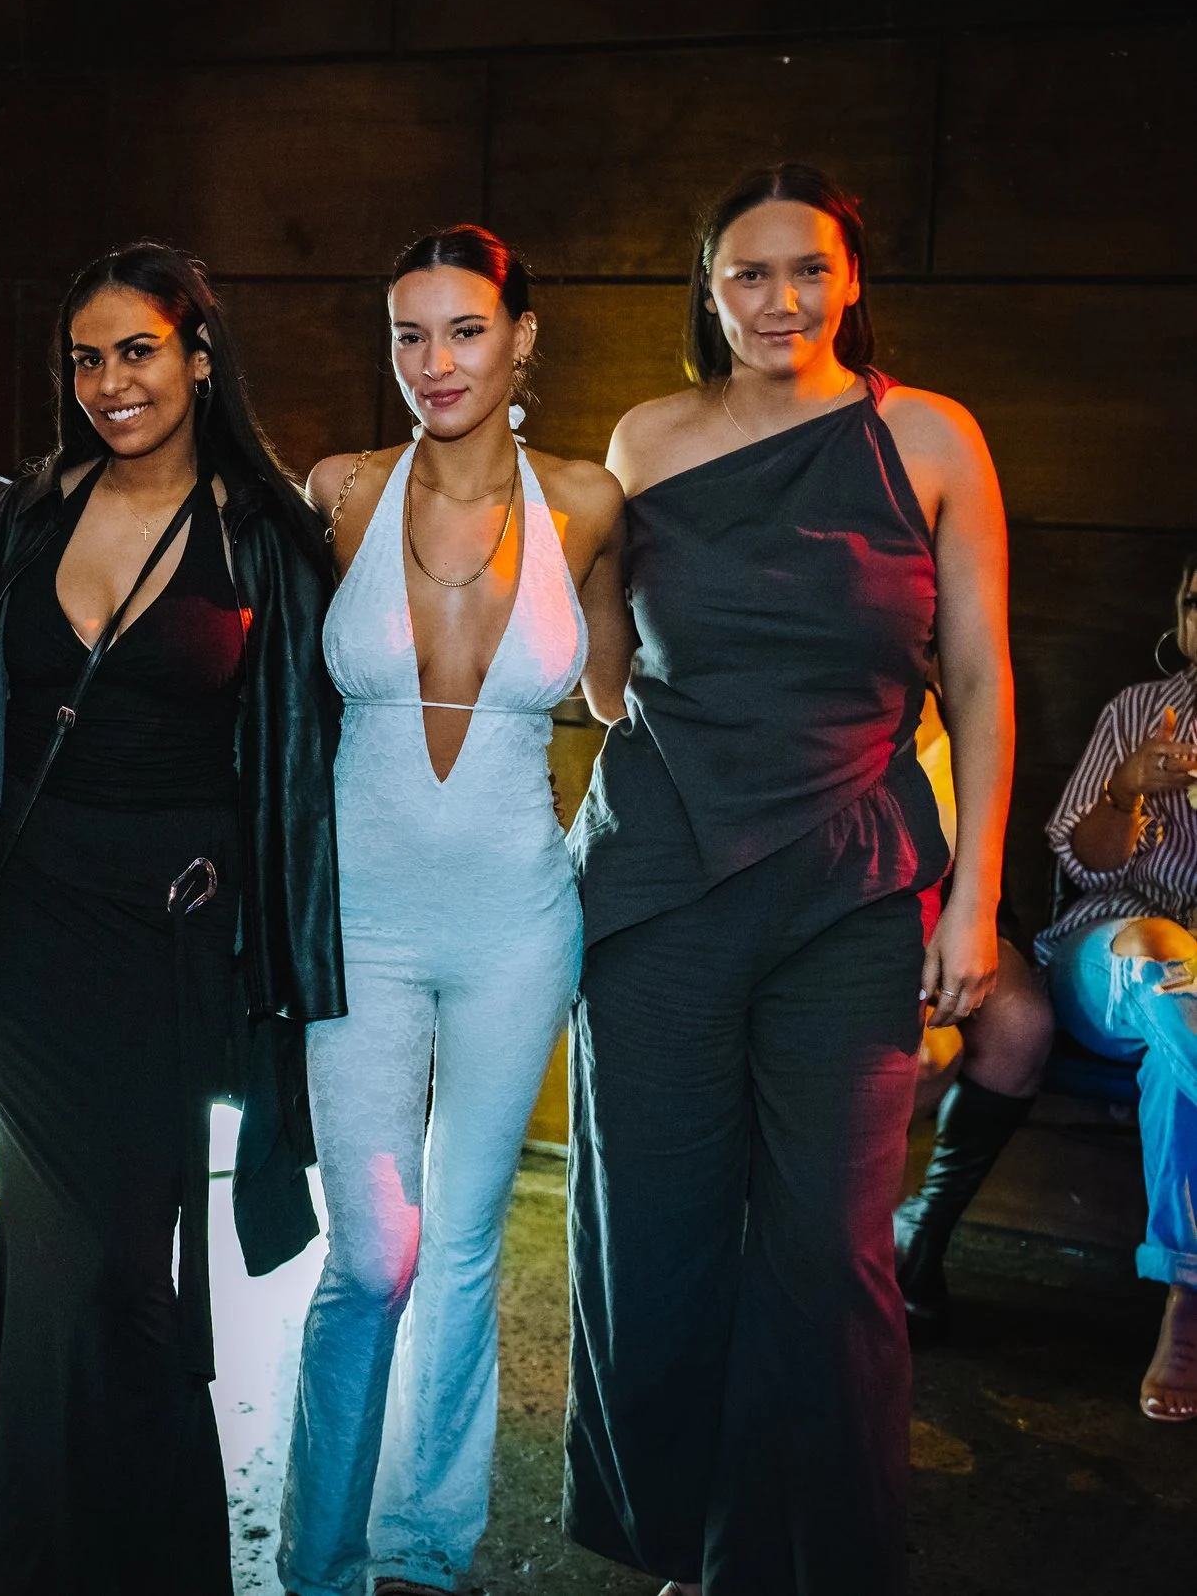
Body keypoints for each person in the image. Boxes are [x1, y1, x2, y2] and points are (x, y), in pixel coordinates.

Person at [563, 163, 1014, 1596]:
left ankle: (825, 1559)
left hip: (857, 880)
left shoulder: (932, 437)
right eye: (748, 273)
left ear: (852, 278)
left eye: (806, 269)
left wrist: (980, 893)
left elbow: (987, 683)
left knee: (828, 1246)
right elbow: (598, 679)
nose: (780, 299)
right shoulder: (645, 436)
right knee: (660, 1227)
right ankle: (690, 1548)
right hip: (661, 882)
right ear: (707, 289)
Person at [0, 243, 344, 1595]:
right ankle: (51, 1550)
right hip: (32, 940)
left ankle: (147, 1562)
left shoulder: (264, 533)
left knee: (116, 1258)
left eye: (138, 350)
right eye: (85, 358)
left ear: (201, 356)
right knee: (58, 1246)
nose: (109, 381)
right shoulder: (24, 518)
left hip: (170, 939)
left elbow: (302, 756)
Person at [280, 227, 626, 1596]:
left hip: (514, 923)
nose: (436, 360)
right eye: (410, 334)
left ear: (522, 337)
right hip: (357, 915)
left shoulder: (591, 502)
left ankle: (426, 1548)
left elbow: (617, 695)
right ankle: (319, 1556)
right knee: (374, 1252)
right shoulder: (341, 491)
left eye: (466, 330)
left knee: (468, 1241)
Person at [1037, 550, 1197, 1421]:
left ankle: (1187, 1304)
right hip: (1103, 958)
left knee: (1183, 1053)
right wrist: (1128, 789)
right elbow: (1085, 862)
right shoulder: (1143, 709)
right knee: (1158, 947)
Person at [894, 692, 1057, 1344]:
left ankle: (923, 1230)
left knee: (1021, 1023)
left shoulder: (957, 702)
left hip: (957, 902)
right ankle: (848, 1250)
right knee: (913, 1056)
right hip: (869, 910)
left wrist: (972, 917)